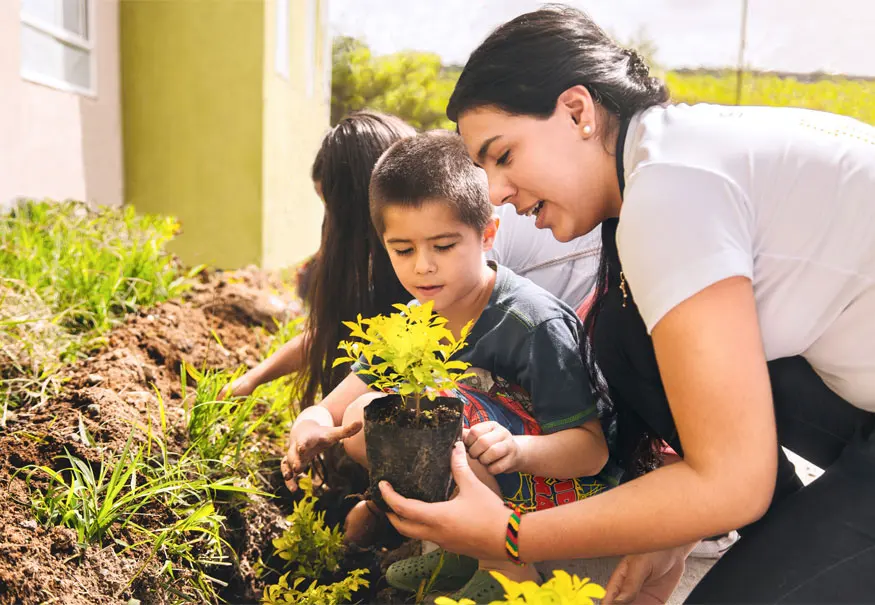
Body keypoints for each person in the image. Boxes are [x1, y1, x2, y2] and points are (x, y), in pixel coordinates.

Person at [375, 5, 875, 603]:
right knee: (628, 337)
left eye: (503, 156)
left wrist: (510, 535)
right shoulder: (663, 157)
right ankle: (804, 543)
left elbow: (734, 482)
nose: (498, 193)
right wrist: (669, 518)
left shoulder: (669, 191)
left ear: (578, 112)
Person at [283, 131, 619, 602]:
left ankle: (505, 570)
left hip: (558, 490)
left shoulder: (532, 323)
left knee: (440, 411)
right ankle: (458, 552)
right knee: (367, 416)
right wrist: (309, 425)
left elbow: (592, 451)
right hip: (486, 467)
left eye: (443, 246)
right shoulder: (414, 321)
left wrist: (517, 449)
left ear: (487, 234)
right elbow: (336, 408)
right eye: (403, 250)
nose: (423, 267)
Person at [222, 113, 601, 408]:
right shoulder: (433, 241)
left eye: (332, 208)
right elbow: (359, 331)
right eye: (403, 250)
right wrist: (257, 377)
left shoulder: (462, 238)